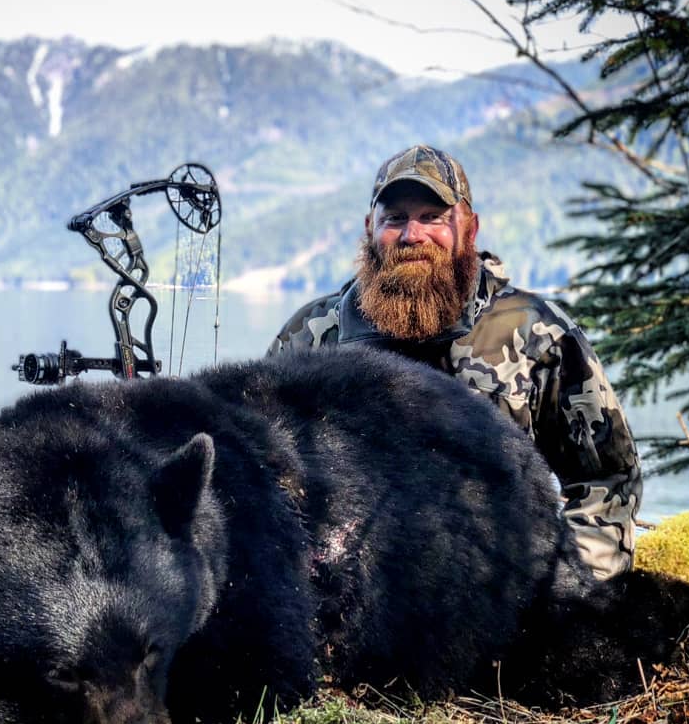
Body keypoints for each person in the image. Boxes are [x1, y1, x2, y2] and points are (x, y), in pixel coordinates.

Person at [268, 145, 641, 580]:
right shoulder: (312, 336)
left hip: (494, 602)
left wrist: (567, 590)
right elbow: (256, 473)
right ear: (370, 228)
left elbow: (609, 479)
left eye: (433, 217)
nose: (412, 236)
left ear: (470, 227)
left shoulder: (536, 335)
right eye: (395, 219)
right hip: (345, 603)